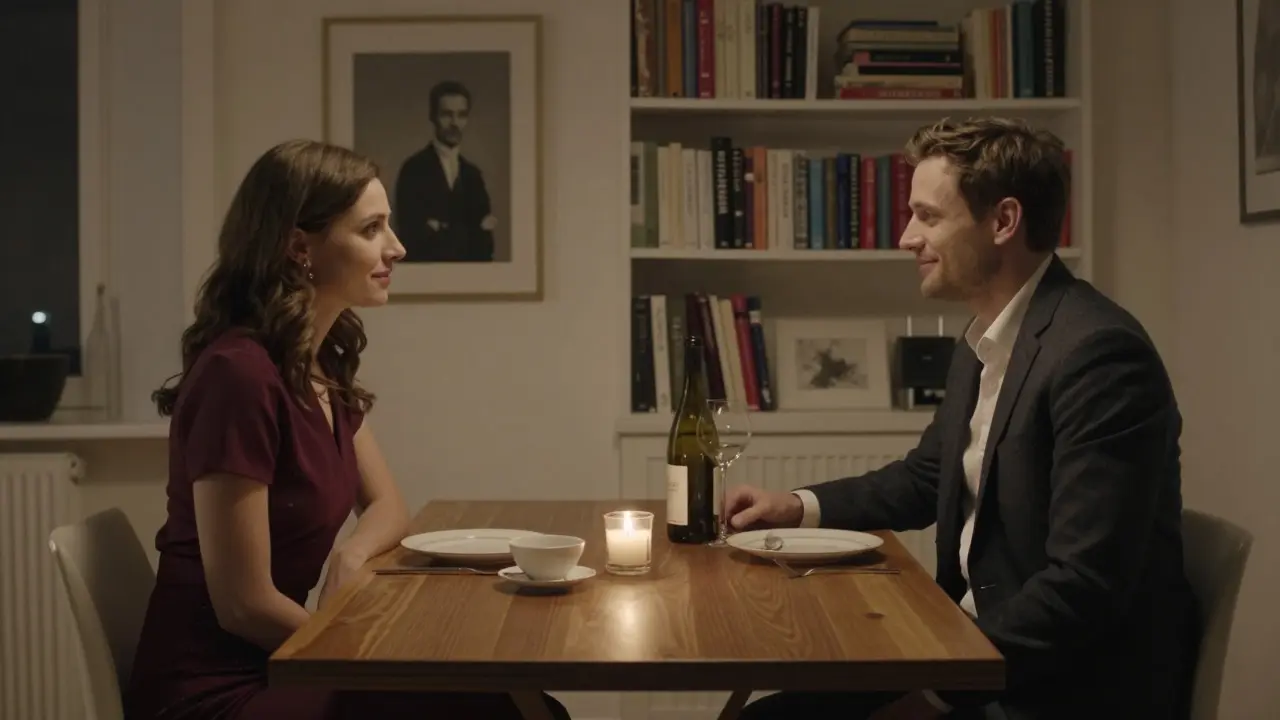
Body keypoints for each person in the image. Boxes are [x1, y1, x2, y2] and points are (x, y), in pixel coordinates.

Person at [725, 118, 1199, 720]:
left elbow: (1085, 588)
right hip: (971, 652)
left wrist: (934, 695)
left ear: (1003, 222)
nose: (905, 237)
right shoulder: (986, 338)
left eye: (928, 216)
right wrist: (796, 506)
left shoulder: (1099, 356)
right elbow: (928, 477)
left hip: (1058, 689)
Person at [125, 139, 570, 720]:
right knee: (505, 711)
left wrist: (351, 557)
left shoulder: (315, 363)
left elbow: (388, 505)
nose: (397, 248)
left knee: (524, 707)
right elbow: (242, 604)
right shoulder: (238, 376)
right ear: (298, 248)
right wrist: (355, 651)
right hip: (219, 690)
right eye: (371, 229)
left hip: (286, 661)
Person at [394, 80, 497, 262]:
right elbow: (411, 239)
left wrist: (440, 228)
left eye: (461, 115)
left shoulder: (473, 175)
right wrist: (471, 230)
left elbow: (486, 246)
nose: (455, 123)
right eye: (447, 115)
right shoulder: (413, 170)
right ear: (433, 116)